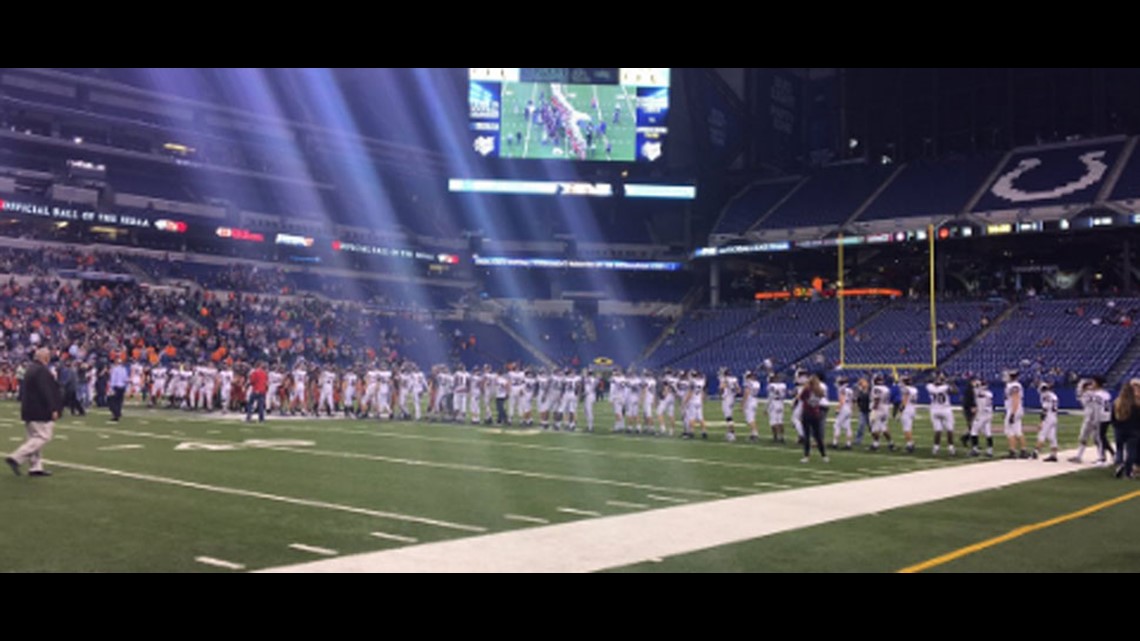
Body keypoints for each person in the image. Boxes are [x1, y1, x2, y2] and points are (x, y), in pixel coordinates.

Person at [7, 348, 62, 477]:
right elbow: (45, 391)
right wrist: (53, 408)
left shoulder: (31, 369)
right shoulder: (41, 371)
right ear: (45, 357)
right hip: (39, 410)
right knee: (43, 437)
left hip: (29, 409)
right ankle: (17, 456)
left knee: (34, 437)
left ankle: (35, 467)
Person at [1111, 379, 1140, 479]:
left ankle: (1119, 464)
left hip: (1119, 429)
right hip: (1134, 431)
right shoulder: (1136, 405)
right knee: (1131, 451)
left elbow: (1113, 417)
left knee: (1119, 448)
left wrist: (1116, 426)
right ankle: (1128, 471)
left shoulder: (1117, 402)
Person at [799, 374, 829, 463]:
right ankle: (824, 456)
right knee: (818, 436)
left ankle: (806, 456)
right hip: (816, 414)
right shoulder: (819, 391)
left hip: (807, 413)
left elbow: (801, 398)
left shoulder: (807, 390)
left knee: (807, 436)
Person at [108, 356, 128, 422]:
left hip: (116, 386)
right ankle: (118, 413)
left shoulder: (115, 369)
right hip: (122, 387)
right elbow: (125, 379)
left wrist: (111, 387)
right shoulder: (124, 369)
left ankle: (116, 414)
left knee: (112, 401)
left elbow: (113, 379)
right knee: (119, 402)